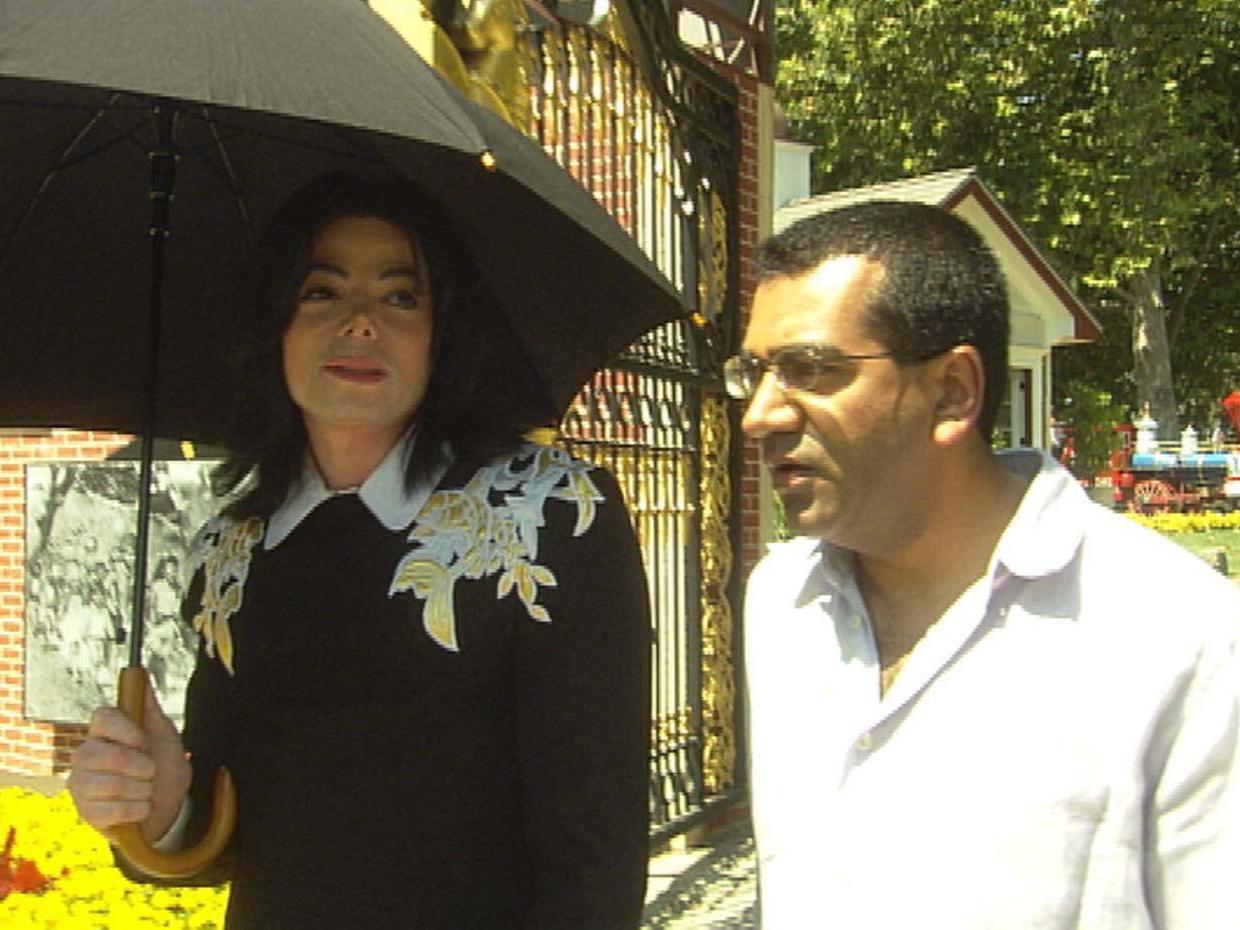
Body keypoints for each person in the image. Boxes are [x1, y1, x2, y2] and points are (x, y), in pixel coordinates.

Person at [67, 171, 652, 928]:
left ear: (444, 334)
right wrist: (159, 804)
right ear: (275, 323)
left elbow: (594, 870)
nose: (362, 324)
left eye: (400, 296)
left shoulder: (548, 517)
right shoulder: (233, 549)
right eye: (323, 292)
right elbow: (222, 841)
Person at [728, 201, 1240, 929]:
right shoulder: (781, 602)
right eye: (754, 371)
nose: (761, 413)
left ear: (952, 392)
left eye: (810, 369)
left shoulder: (1175, 635)